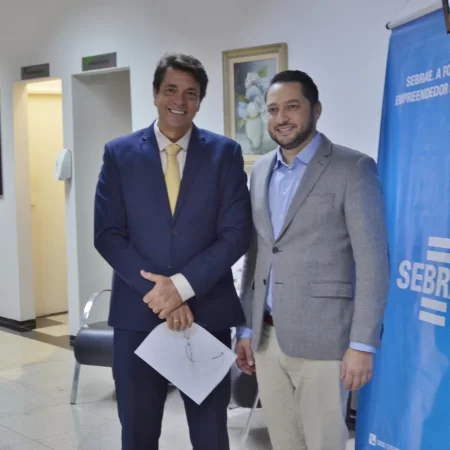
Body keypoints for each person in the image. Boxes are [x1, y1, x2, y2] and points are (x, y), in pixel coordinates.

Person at [94, 53, 252, 450]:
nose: (179, 100)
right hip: (137, 316)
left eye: (190, 93)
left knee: (211, 435)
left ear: (200, 101)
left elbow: (236, 234)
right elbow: (107, 235)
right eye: (170, 90)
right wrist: (162, 294)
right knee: (138, 433)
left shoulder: (225, 154)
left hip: (207, 317)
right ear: (154, 94)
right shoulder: (119, 154)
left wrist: (180, 287)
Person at [235, 70, 389, 450]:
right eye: (273, 109)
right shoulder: (260, 170)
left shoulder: (353, 168)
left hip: (325, 341)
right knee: (284, 442)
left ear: (315, 110)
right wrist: (246, 329)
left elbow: (373, 263)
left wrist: (362, 345)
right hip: (267, 339)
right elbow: (257, 253)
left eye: (292, 107)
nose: (281, 118)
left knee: (324, 443)